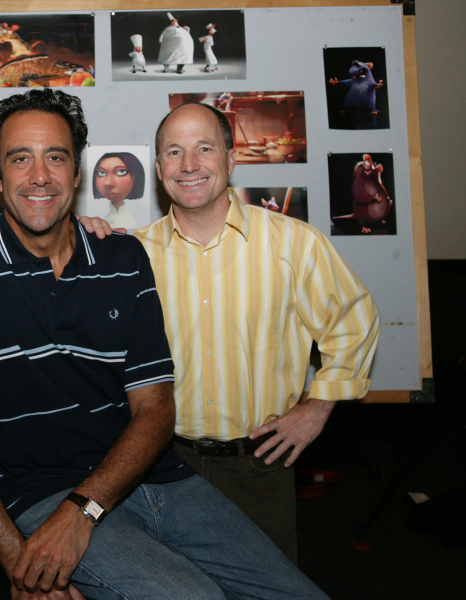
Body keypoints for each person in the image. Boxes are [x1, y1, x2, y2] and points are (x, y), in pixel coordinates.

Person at [0, 88, 329, 600]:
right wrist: (22, 566)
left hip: (153, 479)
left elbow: (155, 408)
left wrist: (84, 509)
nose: (40, 175)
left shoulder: (123, 258)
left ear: (76, 172)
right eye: (20, 159)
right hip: (39, 492)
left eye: (56, 158)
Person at [85, 102, 379, 563]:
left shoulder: (295, 243)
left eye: (204, 148)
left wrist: (319, 406)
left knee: (266, 588)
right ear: (159, 168)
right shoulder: (131, 255)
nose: (189, 165)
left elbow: (353, 322)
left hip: (259, 467)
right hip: (159, 465)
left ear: (231, 158)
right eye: (174, 152)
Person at [91, 151, 145, 230]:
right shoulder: (103, 219)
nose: (108, 183)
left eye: (121, 172)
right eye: (101, 173)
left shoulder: (132, 222)